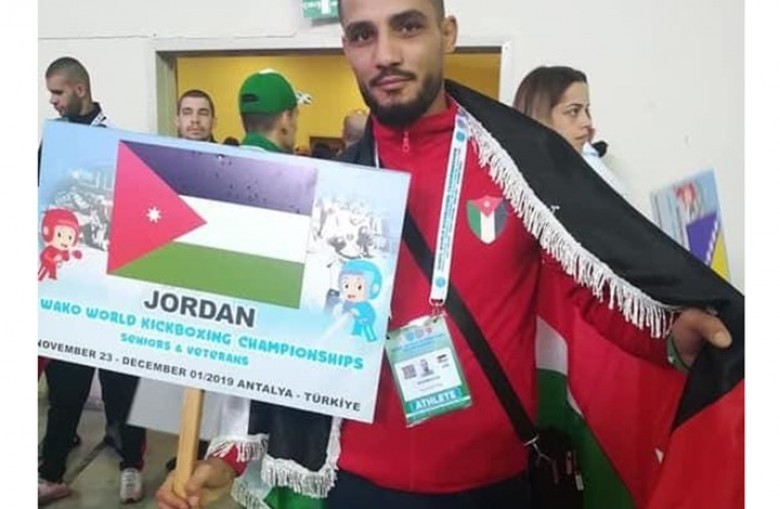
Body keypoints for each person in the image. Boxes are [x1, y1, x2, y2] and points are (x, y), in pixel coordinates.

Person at [155, 1, 743, 509]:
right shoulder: (328, 188)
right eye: (363, 34)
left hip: (493, 485)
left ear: (448, 33)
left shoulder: (520, 163)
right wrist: (228, 460)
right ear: (347, 48)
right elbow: (280, 343)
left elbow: (587, 286)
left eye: (407, 26)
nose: (385, 53)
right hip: (358, 486)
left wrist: (668, 338)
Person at [38, 56, 146, 506]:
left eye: (58, 92)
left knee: (123, 388)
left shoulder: (116, 143)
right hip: (68, 291)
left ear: (80, 89)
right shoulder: (52, 144)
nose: (53, 101)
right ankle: (48, 474)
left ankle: (131, 466)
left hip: (112, 291)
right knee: (65, 391)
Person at [513, 65, 628, 198]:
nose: (587, 122)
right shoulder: (509, 183)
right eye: (574, 111)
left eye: (586, 110)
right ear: (539, 115)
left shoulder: (585, 174)